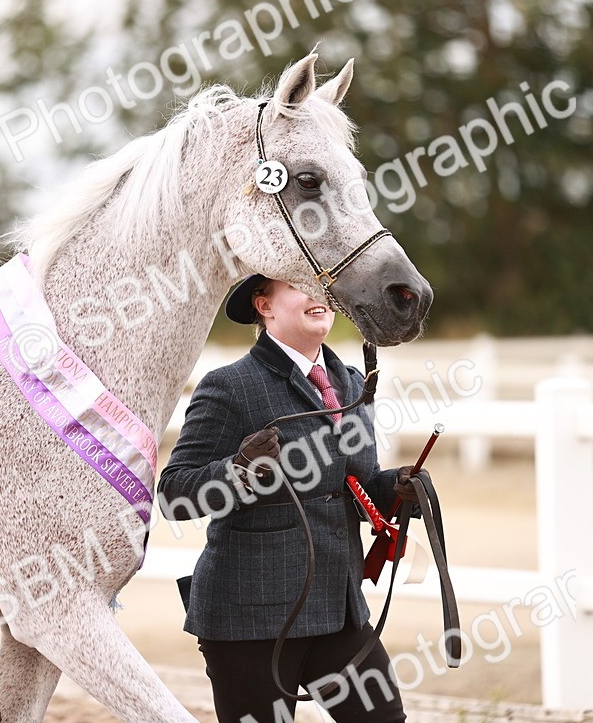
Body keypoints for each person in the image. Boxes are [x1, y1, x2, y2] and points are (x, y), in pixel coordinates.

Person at [157, 274, 419, 723]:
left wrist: (394, 486)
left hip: (338, 610)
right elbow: (174, 494)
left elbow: (350, 485)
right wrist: (239, 470)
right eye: (300, 285)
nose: (320, 297)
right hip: (250, 619)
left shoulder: (354, 383)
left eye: (325, 288)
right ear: (264, 306)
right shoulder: (229, 385)